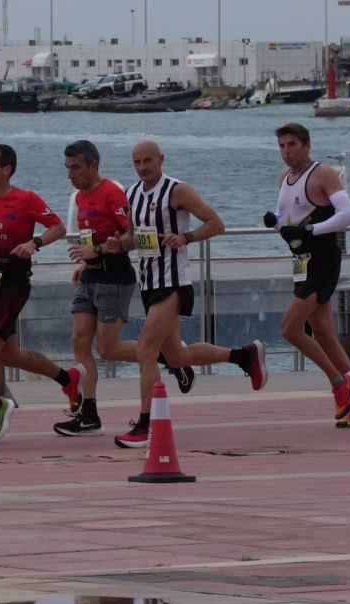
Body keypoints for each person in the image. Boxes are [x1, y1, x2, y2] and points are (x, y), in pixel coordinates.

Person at [111, 139, 266, 449]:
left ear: (161, 159)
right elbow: (132, 239)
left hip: (173, 282)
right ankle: (243, 355)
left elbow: (216, 223)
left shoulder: (177, 191)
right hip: (149, 283)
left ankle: (147, 423)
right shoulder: (131, 194)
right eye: (137, 162)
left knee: (145, 350)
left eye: (148, 161)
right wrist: (115, 245)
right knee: (177, 356)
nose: (143, 167)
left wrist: (185, 237)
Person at [58, 139, 189, 436]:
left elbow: (128, 237)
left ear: (93, 166)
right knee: (79, 339)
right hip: (91, 276)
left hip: (115, 278)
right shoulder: (79, 197)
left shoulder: (113, 193)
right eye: (67, 169)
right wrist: (85, 261)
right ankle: (88, 414)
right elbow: (93, 236)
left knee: (108, 348)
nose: (70, 175)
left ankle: (164, 357)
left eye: (76, 168)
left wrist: (101, 252)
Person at [0, 143, 79, 448]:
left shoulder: (26, 199)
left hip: (14, 282)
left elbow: (58, 227)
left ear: (6, 169)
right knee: (9, 354)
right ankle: (68, 379)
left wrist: (34, 243)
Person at [269, 121, 350, 427]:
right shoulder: (284, 178)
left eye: (292, 145)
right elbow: (286, 219)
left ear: (306, 145)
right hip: (301, 263)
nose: (286, 152)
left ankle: (337, 383)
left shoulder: (322, 174)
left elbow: (349, 215)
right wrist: (274, 221)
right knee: (325, 335)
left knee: (290, 329)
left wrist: (311, 229)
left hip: (323, 261)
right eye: (282, 146)